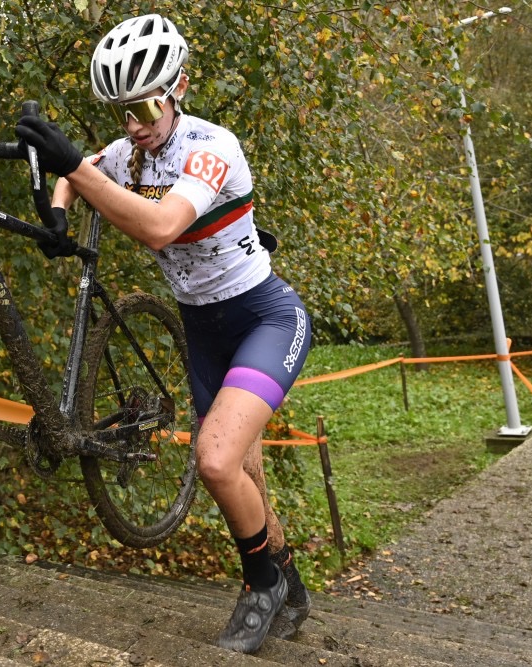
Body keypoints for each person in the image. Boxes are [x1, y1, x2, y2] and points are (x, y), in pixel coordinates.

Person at [16, 13, 312, 654]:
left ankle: (261, 584)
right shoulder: (126, 153)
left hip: (264, 316)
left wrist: (78, 170)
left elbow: (160, 226)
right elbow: (75, 173)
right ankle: (291, 581)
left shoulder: (213, 146)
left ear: (178, 87)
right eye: (123, 111)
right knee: (245, 477)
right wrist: (59, 214)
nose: (137, 123)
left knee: (213, 460)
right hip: (202, 327)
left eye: (148, 104)